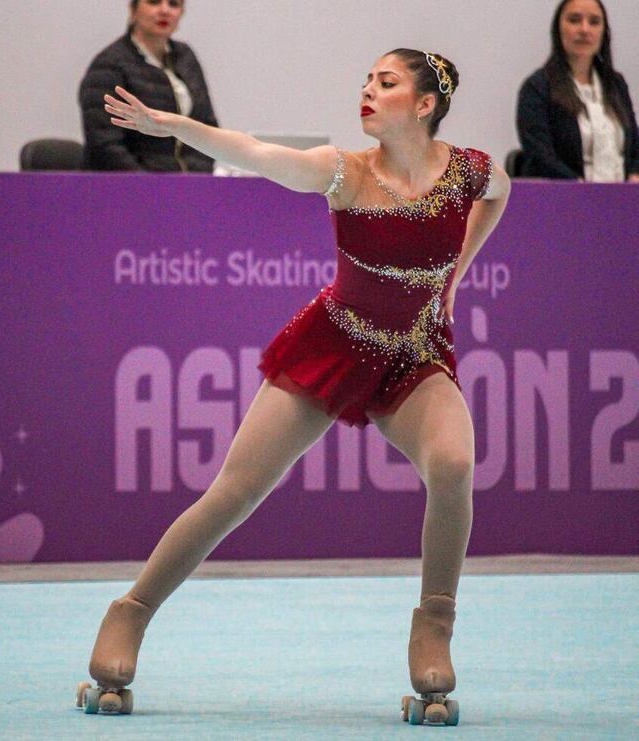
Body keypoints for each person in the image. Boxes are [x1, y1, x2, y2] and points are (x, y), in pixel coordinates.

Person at [80, 48, 511, 723]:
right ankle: (130, 611)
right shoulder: (341, 171)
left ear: (424, 105)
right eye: (365, 79)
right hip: (335, 344)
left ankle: (433, 623)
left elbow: (501, 193)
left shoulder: (467, 172)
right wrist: (175, 128)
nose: (367, 89)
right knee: (236, 490)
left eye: (386, 82)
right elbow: (250, 150)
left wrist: (455, 275)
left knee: (454, 462)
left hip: (413, 356)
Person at [79, 0, 218, 172]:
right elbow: (104, 144)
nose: (165, 10)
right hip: (131, 187)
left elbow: (207, 126)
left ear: (182, 12)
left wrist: (198, 178)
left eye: (173, 4)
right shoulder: (110, 64)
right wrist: (148, 186)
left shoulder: (185, 56)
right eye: (154, 2)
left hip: (189, 185)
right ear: (133, 9)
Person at [516, 0, 639, 181]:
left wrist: (635, 175)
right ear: (558, 29)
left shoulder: (615, 84)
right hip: (566, 199)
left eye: (594, 22)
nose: (584, 29)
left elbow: (634, 145)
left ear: (604, 32)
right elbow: (540, 155)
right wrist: (578, 187)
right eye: (574, 20)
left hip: (621, 198)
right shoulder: (537, 87)